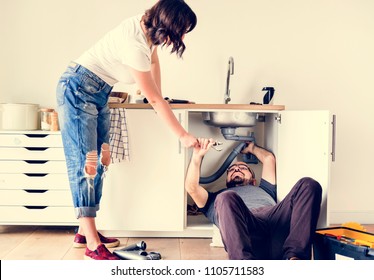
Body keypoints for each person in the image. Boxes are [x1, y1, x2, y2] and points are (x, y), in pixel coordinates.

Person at [56, 0, 198, 260]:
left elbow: (154, 64)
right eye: (182, 30)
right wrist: (183, 135)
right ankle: (91, 243)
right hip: (78, 89)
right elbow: (154, 100)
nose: (183, 36)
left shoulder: (146, 30)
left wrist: (158, 93)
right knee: (85, 164)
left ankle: (84, 232)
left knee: (98, 162)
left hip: (98, 93)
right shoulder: (134, 45)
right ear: (168, 24)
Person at [185, 138, 322, 260]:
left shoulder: (264, 189)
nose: (237, 170)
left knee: (308, 184)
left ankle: (295, 259)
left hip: (276, 222)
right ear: (226, 180)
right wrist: (197, 156)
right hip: (248, 231)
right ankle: (245, 267)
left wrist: (252, 148)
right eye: (232, 170)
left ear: (254, 180)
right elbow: (191, 187)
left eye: (242, 168)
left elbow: (268, 159)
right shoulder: (216, 199)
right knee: (226, 197)